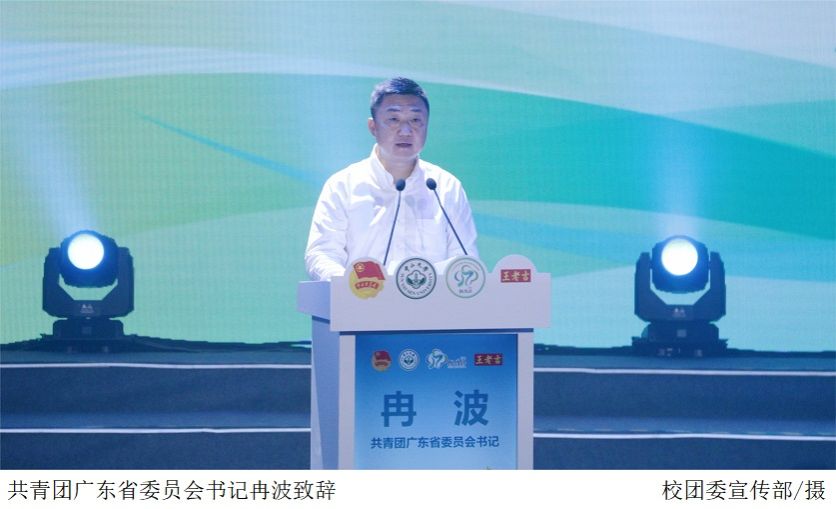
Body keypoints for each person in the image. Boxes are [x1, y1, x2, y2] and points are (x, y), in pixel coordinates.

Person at [305, 77, 479, 281]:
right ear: (373, 127)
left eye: (415, 120)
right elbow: (322, 254)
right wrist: (352, 285)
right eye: (394, 119)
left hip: (433, 301)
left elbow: (465, 259)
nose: (405, 131)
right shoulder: (343, 185)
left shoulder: (446, 187)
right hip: (364, 298)